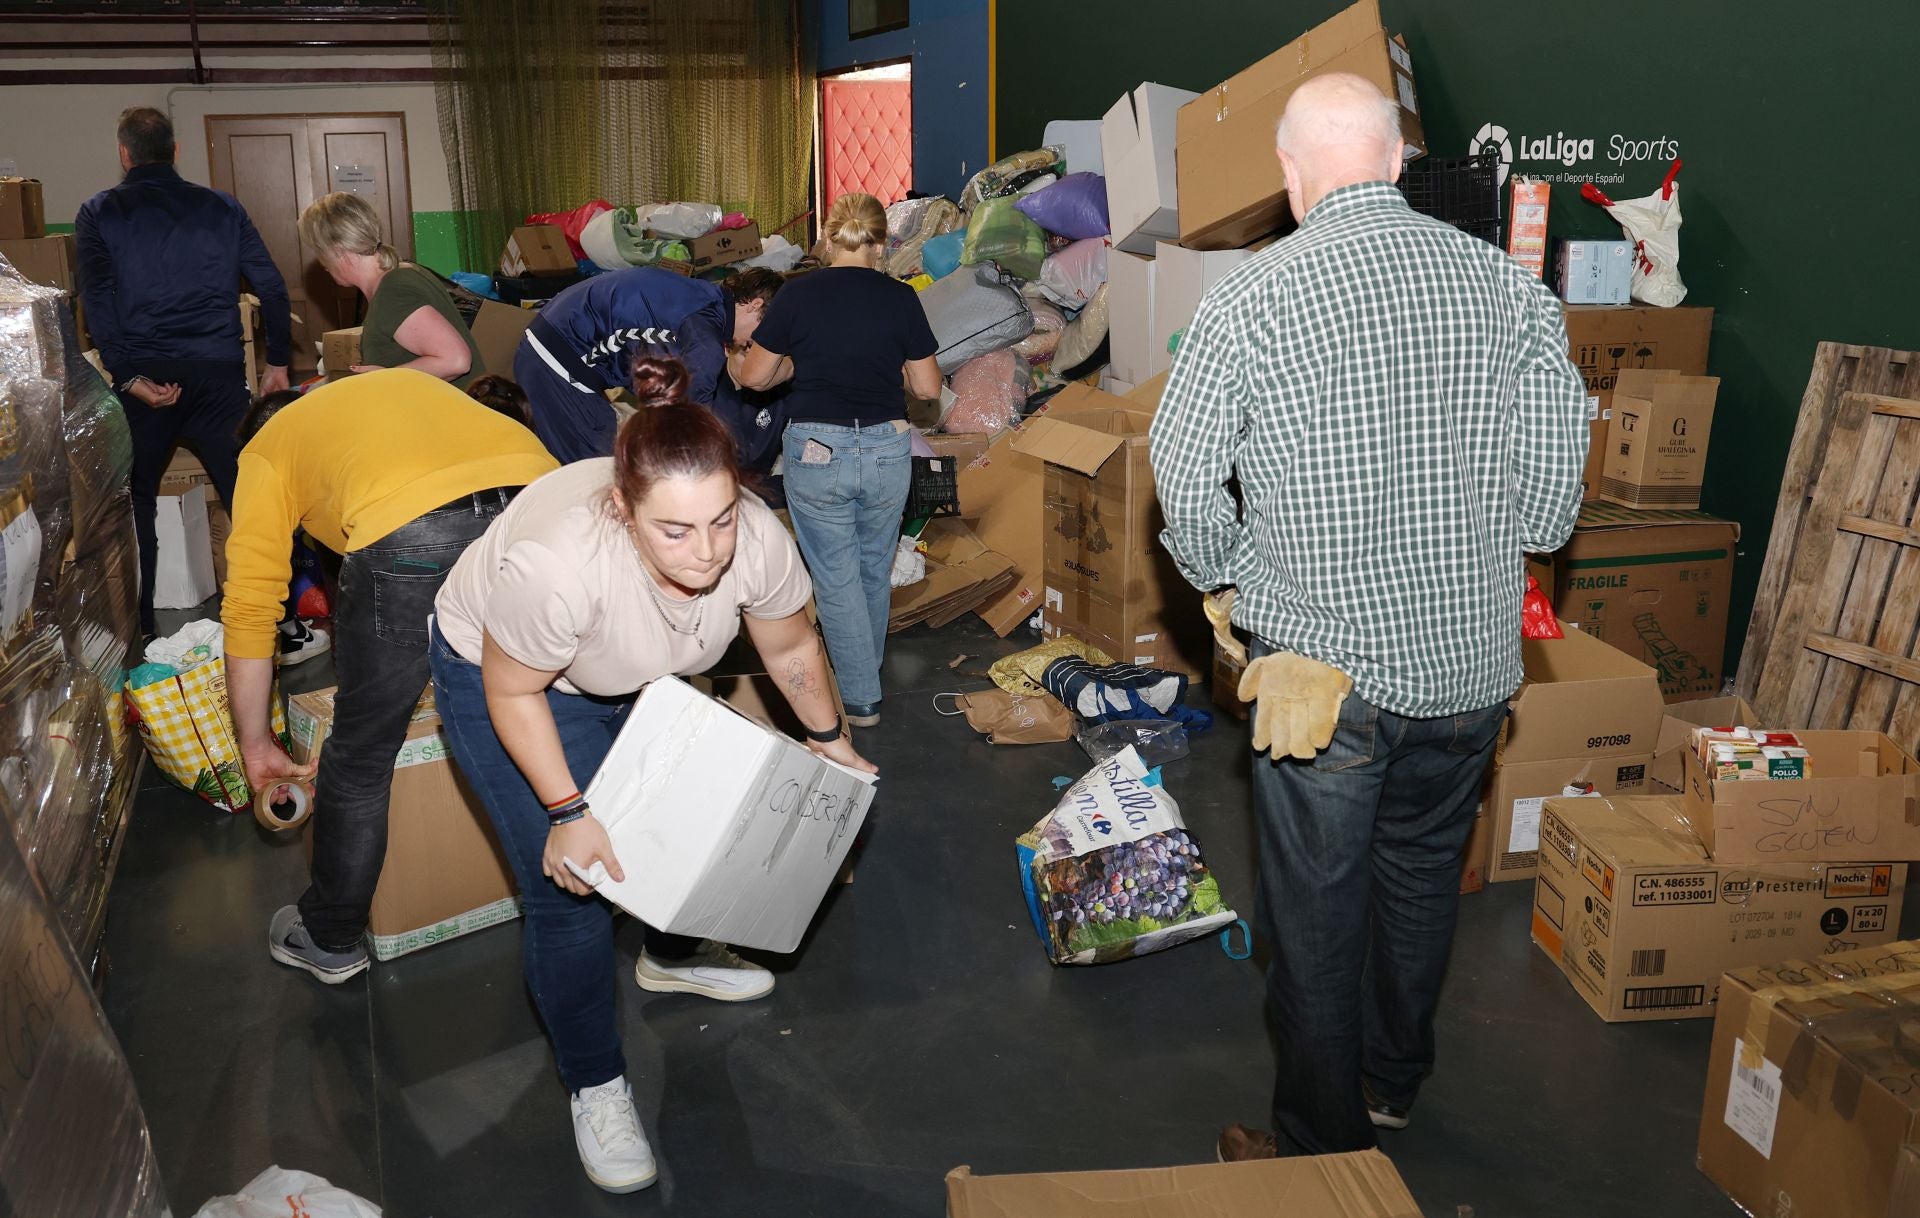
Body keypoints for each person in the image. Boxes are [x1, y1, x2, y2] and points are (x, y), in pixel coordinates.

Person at [1147, 74, 1586, 1159]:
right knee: (1420, 879)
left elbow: (1183, 478)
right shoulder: (1510, 291)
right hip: (1474, 672)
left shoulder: (1253, 296)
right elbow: (1551, 502)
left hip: (1323, 679)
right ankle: (1394, 1083)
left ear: (1293, 180)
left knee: (1318, 913)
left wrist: (1237, 582)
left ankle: (1317, 1146)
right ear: (1397, 163)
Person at [428, 356, 873, 1193]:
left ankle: (667, 955)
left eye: (720, 521)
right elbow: (511, 687)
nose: (706, 552)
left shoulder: (755, 540)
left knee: (686, 813)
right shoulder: (561, 567)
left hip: (631, 662)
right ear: (624, 510)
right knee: (574, 888)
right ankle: (595, 1084)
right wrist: (567, 811)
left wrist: (828, 738)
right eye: (674, 531)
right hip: (513, 677)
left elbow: (787, 644)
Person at [222, 368, 557, 984]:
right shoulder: (384, 394)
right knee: (550, 708)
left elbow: (250, 607)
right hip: (544, 503)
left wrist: (255, 742)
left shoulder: (265, 450)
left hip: (415, 531)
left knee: (359, 756)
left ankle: (330, 938)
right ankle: (590, 895)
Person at [76, 105, 297, 644]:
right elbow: (271, 286)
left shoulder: (99, 212)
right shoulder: (223, 207)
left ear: (124, 154)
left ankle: (144, 633)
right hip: (219, 376)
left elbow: (96, 300)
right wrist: (279, 362)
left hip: (148, 378)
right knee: (248, 497)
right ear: (176, 151)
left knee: (139, 501)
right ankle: (280, 623)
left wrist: (128, 377)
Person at [736, 193, 942, 727]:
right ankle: (864, 679)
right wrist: (885, 370)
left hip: (816, 449)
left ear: (829, 238)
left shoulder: (796, 295)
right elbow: (927, 387)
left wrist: (799, 368)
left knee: (835, 577)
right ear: (883, 242)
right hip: (886, 448)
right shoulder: (901, 299)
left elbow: (754, 377)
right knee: (873, 570)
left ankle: (859, 699)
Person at [515, 265, 786, 465]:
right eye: (765, 330)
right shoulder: (705, 336)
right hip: (557, 360)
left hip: (552, 347)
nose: (758, 343)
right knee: (595, 476)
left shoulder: (700, 298)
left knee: (604, 445)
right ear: (754, 305)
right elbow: (688, 414)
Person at [299, 191, 484, 389]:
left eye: (320, 252)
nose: (321, 263)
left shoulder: (393, 293)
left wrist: (387, 377)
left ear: (338, 250)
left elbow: (456, 361)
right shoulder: (400, 272)